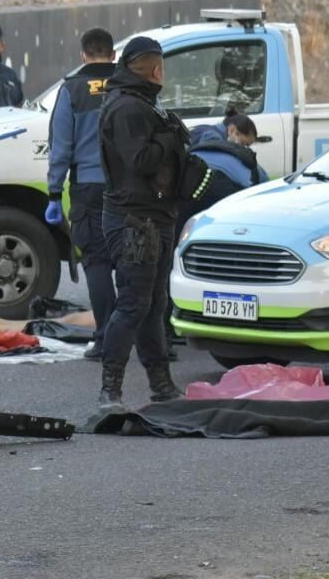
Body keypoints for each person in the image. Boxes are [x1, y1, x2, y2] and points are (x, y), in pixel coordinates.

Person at [96, 36, 213, 410]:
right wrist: (169, 137)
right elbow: (141, 161)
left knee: (154, 303)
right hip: (134, 220)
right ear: (151, 68)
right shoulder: (128, 107)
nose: (162, 72)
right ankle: (110, 391)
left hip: (155, 217)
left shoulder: (145, 103)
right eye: (158, 64)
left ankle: (161, 385)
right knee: (133, 303)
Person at [44, 27, 117, 360]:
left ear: (83, 55)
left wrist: (54, 193)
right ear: (113, 55)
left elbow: (61, 146)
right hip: (132, 190)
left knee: (97, 263)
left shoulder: (71, 90)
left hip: (89, 189)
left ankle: (106, 339)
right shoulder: (134, 86)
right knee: (135, 265)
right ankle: (144, 339)